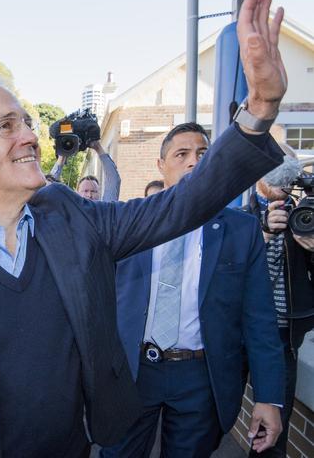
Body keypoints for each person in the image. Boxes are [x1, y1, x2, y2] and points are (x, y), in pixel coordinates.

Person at [0, 0, 288, 456]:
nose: (28, 136)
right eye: (5, 126)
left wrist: (259, 109)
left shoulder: (69, 216)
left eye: (24, 121)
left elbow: (179, 207)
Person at [102, 123, 284, 458]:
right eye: (181, 154)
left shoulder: (240, 231)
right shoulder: (130, 221)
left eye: (203, 154)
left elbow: (260, 319)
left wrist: (268, 397)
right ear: (161, 166)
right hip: (134, 371)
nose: (192, 162)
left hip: (200, 378)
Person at [241, 143, 314, 458]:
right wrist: (264, 233)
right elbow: (228, 275)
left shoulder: (305, 215)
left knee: (272, 430)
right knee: (208, 417)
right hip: (237, 333)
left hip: (282, 336)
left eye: (290, 171)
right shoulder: (241, 219)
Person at [50, 141, 121, 201]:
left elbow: (113, 180)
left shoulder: (105, 209)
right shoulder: (70, 212)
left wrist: (98, 147)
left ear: (99, 193)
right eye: (85, 191)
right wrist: (61, 158)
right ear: (77, 193)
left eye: (93, 191)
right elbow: (49, 188)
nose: (89, 195)